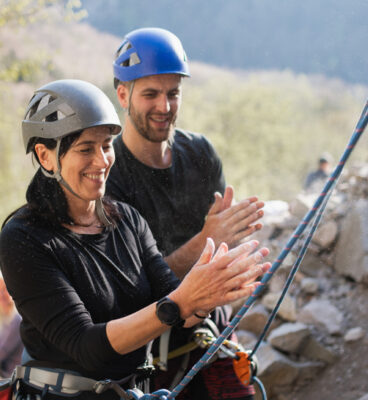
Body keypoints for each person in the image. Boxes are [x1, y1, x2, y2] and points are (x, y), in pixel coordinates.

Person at [0, 79, 270, 400]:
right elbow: (88, 347)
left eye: (106, 145)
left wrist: (206, 295)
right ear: (45, 156)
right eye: (86, 149)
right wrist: (181, 302)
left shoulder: (126, 220)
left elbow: (176, 310)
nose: (102, 161)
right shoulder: (26, 239)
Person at [106, 27, 264, 399]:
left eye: (173, 93)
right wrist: (205, 243)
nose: (164, 106)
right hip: (147, 351)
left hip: (208, 334)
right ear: (123, 94)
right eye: (151, 94)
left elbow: (223, 245)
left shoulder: (199, 153)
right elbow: (128, 290)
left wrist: (237, 260)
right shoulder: (107, 176)